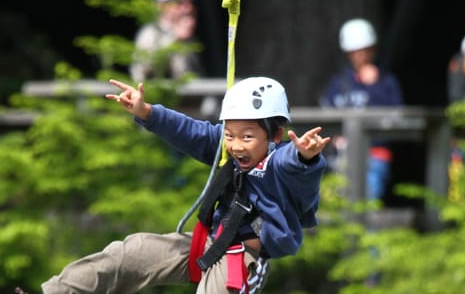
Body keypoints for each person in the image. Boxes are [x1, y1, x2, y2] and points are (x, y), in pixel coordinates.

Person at [39, 77, 330, 294]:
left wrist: (305, 156)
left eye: (247, 137)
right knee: (129, 253)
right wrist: (147, 112)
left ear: (276, 135)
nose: (236, 145)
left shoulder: (280, 163)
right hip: (210, 243)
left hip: (242, 258)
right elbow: (189, 131)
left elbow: (295, 166)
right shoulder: (225, 148)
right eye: (230, 134)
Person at [319, 18, 403, 202]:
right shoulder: (338, 84)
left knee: (368, 201)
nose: (360, 56)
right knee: (338, 203)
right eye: (354, 52)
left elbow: (397, 116)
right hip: (342, 156)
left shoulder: (386, 82)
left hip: (375, 154)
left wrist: (374, 86)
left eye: (365, 50)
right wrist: (335, 136)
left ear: (373, 49)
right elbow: (325, 114)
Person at [130, 0, 205, 82]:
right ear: (161, 5)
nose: (187, 9)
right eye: (179, 3)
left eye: (190, 3)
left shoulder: (191, 37)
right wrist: (175, 40)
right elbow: (144, 71)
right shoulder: (150, 33)